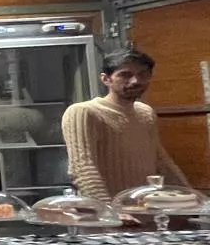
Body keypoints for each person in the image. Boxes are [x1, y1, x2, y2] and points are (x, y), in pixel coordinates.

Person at [62, 49, 190, 202]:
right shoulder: (83, 112)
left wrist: (191, 197)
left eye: (143, 74)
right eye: (125, 74)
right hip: (107, 217)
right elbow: (82, 167)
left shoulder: (145, 112)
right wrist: (109, 212)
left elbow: (161, 160)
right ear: (106, 79)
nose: (136, 81)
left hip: (146, 209)